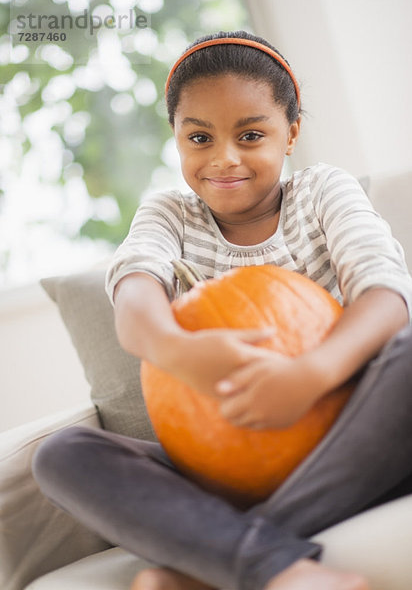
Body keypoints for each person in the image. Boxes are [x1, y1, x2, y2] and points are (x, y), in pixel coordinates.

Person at [32, 31, 412, 590]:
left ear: (291, 134)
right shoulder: (169, 215)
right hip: (219, 464)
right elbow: (134, 297)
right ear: (177, 138)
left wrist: (311, 374)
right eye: (200, 137)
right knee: (62, 455)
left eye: (251, 134)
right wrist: (176, 349)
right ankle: (252, 551)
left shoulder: (322, 192)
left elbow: (387, 294)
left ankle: (226, 562)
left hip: (350, 437)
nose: (224, 158)